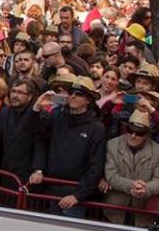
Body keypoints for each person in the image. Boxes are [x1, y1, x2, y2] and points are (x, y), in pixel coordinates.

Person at [31, 75, 107, 219]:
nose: (73, 96)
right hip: (51, 188)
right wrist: (36, 107)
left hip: (75, 194)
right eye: (71, 93)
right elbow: (36, 134)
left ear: (88, 99)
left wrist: (78, 196)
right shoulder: (57, 117)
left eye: (79, 94)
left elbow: (96, 166)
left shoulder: (97, 128)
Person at [100, 110, 159, 226]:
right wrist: (132, 185)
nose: (133, 136)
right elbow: (111, 175)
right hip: (114, 209)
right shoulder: (112, 145)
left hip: (144, 211)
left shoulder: (158, 151)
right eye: (130, 131)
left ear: (147, 134)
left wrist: (145, 189)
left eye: (139, 133)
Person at [0, 77, 44, 185]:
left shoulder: (37, 115)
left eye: (20, 92)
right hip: (7, 170)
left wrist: (38, 169)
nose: (15, 96)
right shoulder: (5, 112)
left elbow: (40, 144)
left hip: (28, 175)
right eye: (13, 91)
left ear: (30, 96)